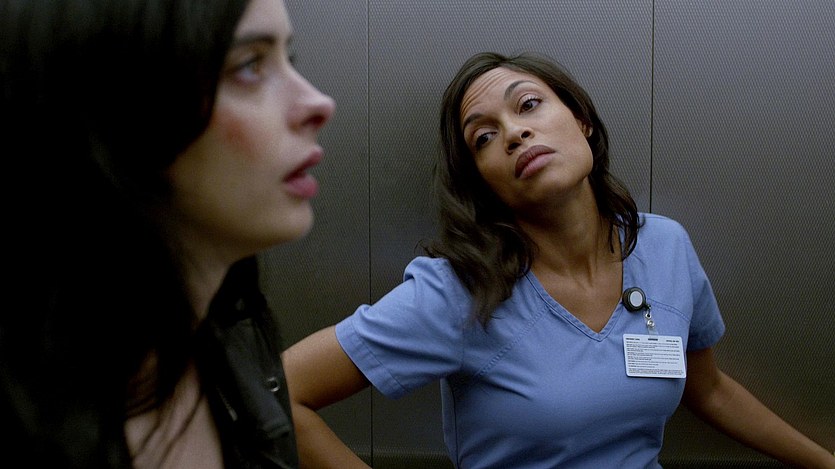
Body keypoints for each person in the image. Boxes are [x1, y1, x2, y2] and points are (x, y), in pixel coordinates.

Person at [282, 52, 835, 468]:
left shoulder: (665, 246)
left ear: (582, 120)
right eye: (484, 137)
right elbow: (281, 394)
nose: (515, 133)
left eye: (528, 105)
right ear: (483, 182)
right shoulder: (460, 290)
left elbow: (707, 387)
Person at [0, 0, 334, 467]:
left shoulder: (234, 346)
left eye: (288, 58)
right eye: (249, 65)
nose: (319, 104)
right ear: (117, 114)